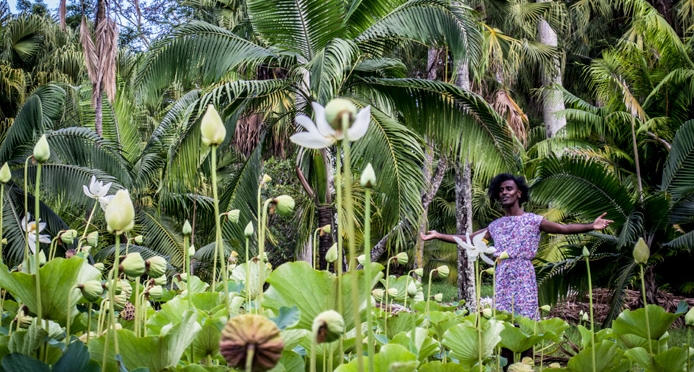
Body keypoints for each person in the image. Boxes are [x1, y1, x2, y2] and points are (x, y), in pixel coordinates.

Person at [421, 173, 613, 320]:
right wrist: (438, 235)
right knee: (505, 322)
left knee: (525, 322)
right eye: (501, 190)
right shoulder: (495, 226)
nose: (504, 192)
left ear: (519, 193)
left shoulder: (533, 220)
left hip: (524, 274)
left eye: (509, 189)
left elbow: (563, 228)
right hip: (502, 274)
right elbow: (469, 239)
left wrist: (591, 226)